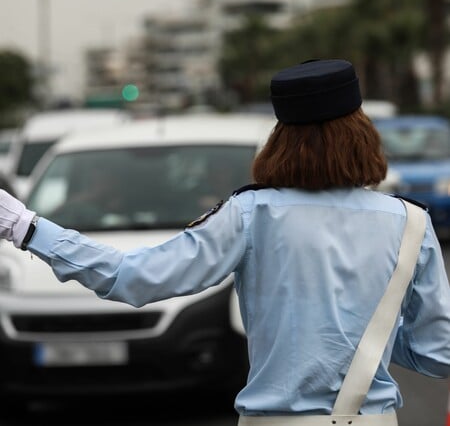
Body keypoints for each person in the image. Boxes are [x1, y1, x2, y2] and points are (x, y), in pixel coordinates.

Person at [0, 59, 448, 425]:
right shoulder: (410, 222)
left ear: (281, 140)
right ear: (361, 133)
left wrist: (27, 226)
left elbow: (132, 278)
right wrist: (367, 338)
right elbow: (437, 354)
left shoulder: (252, 215)